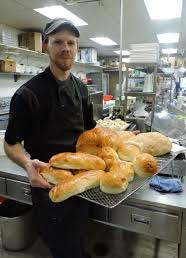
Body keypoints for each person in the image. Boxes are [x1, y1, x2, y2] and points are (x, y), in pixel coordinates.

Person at [4, 18, 96, 258]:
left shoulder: (81, 89)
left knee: (77, 234)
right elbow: (10, 143)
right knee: (60, 244)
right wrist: (27, 165)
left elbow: (88, 132)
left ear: (77, 48)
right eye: (57, 42)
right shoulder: (28, 95)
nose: (65, 48)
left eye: (71, 42)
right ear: (45, 46)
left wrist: (115, 139)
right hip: (48, 183)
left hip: (80, 179)